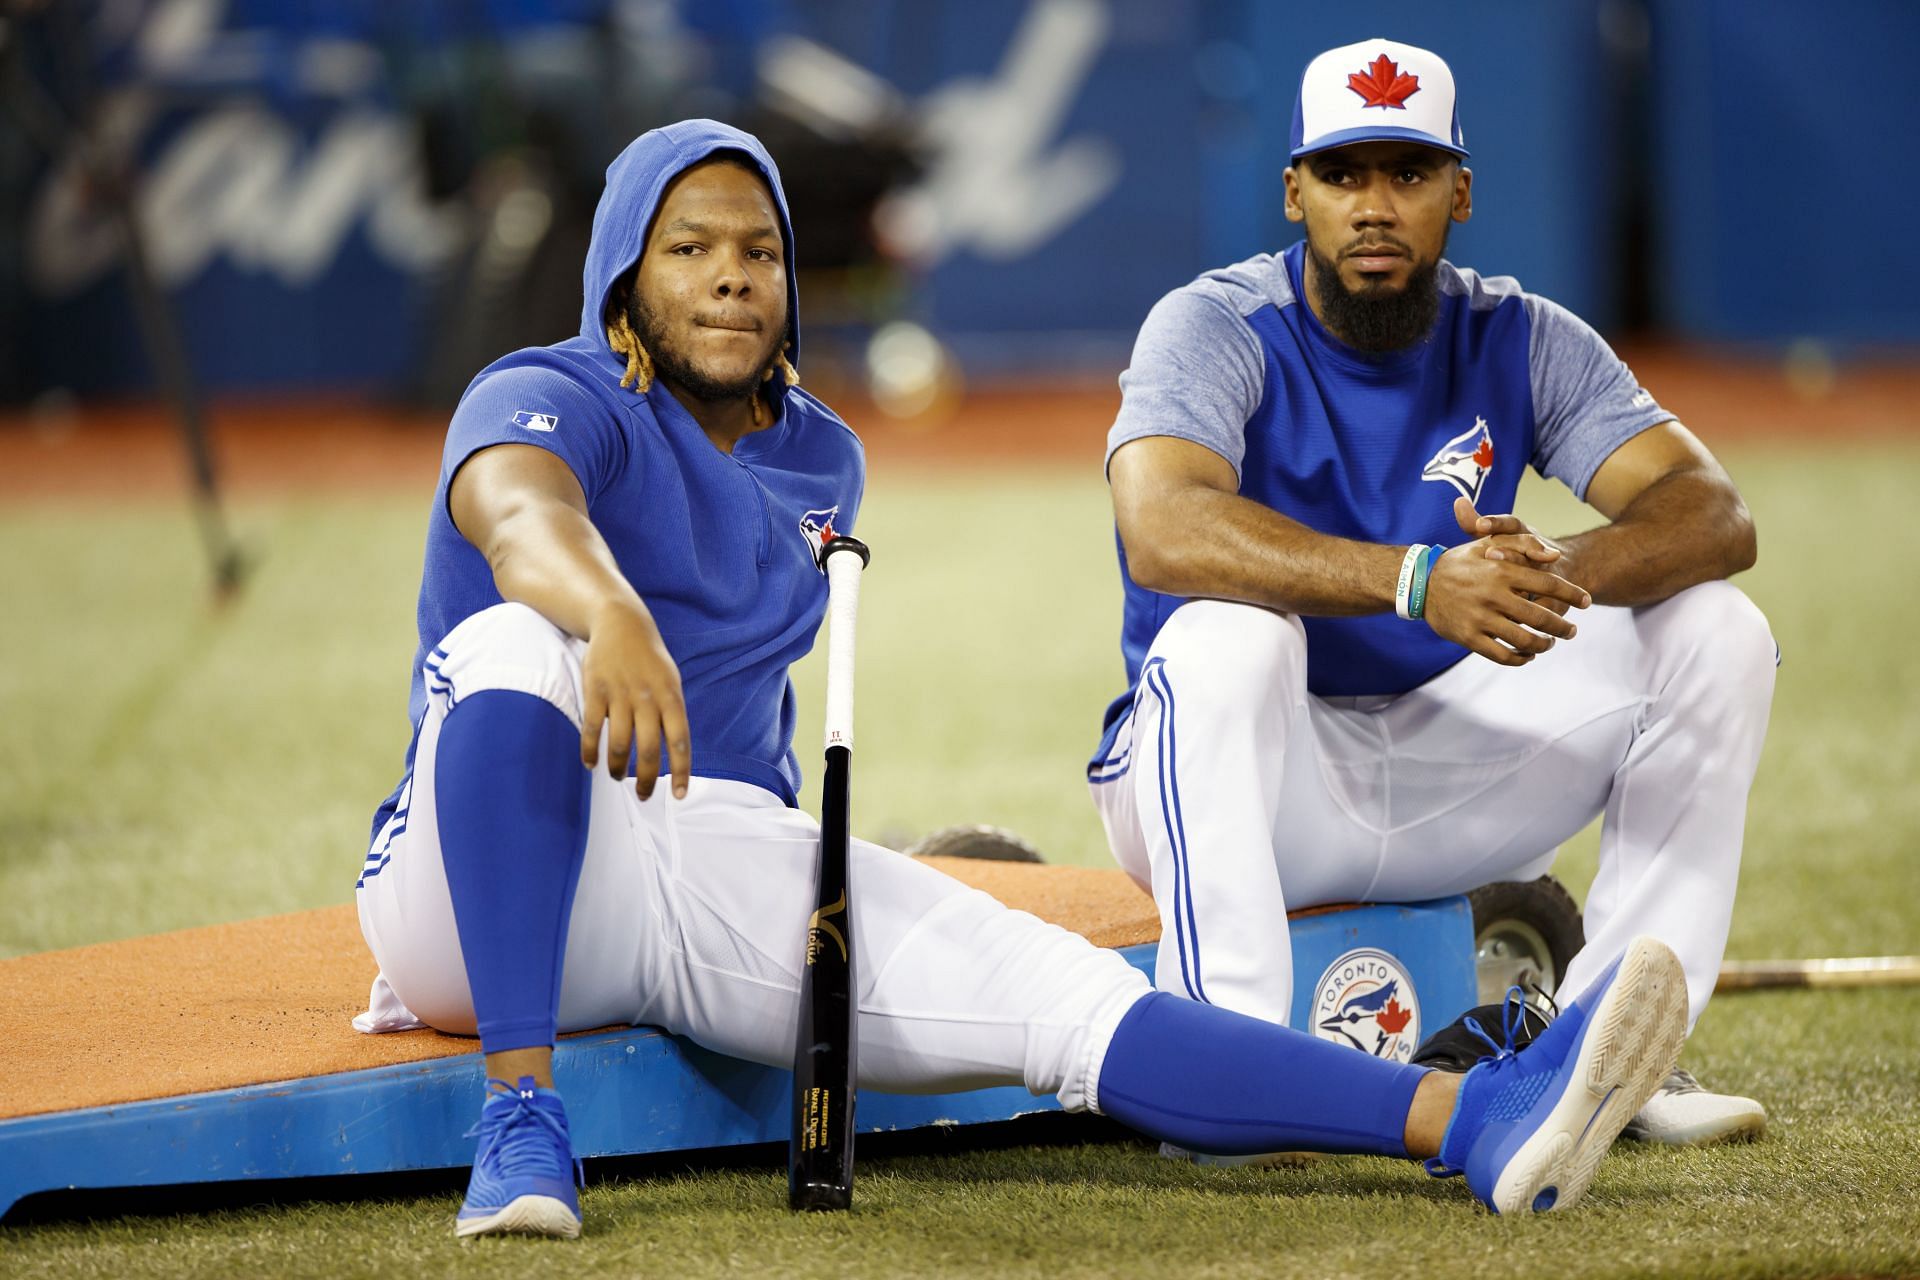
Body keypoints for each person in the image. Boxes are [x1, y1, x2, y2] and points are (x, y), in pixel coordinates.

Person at [352, 118, 1688, 1240]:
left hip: (703, 856)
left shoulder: (821, 457)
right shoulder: (550, 388)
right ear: (623, 276)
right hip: (473, 902)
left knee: (1068, 995)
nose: (729, 279)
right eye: (687, 249)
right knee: (515, 645)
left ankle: (1471, 1119)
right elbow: (523, 518)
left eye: (759, 252)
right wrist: (611, 617)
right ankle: (521, 1122)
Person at [1086, 38, 1775, 1158]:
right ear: (1294, 190)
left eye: (1406, 175)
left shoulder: (1521, 334)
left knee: (1716, 629)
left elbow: (1714, 514)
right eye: (1344, 174)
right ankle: (1232, 1068)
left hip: (1449, 761)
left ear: (1458, 191)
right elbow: (1160, 524)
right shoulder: (1215, 324)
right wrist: (1413, 579)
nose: (1373, 207)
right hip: (1255, 782)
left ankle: (1618, 1055)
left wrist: (1548, 571)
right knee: (1228, 637)